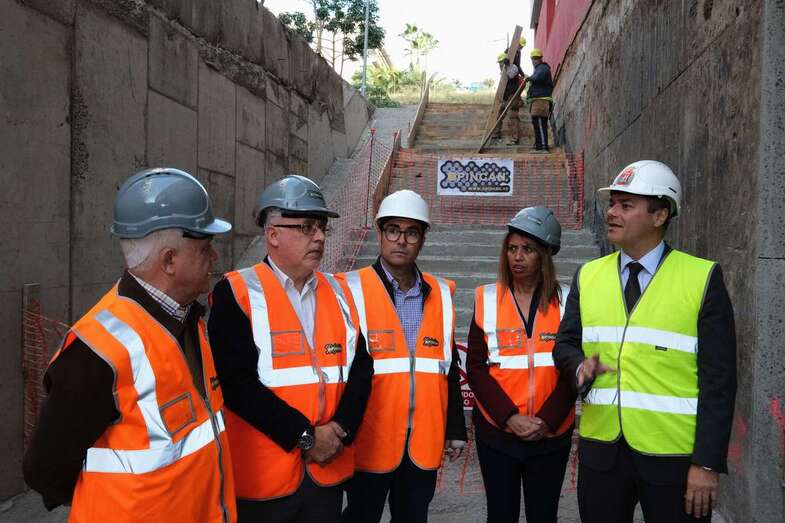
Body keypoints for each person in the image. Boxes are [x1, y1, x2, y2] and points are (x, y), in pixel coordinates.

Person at [23, 168, 237, 522]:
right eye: (204, 247)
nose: (214, 256)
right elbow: (46, 471)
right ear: (169, 260)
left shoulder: (189, 320)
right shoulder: (97, 350)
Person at [553, 160, 737, 523]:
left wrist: (706, 464)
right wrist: (579, 367)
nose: (611, 213)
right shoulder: (588, 275)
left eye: (626, 205)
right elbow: (565, 344)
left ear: (660, 215)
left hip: (674, 457)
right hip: (602, 454)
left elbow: (719, 381)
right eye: (612, 204)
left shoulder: (701, 278)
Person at [207, 174, 373, 523]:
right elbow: (237, 385)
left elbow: (361, 369)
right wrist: (306, 438)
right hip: (264, 481)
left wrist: (339, 430)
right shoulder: (236, 293)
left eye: (322, 227)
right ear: (273, 235)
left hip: (327, 474)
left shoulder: (341, 292)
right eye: (307, 227)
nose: (320, 237)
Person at [338, 190, 467, 523]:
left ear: (422, 239)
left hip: (423, 436)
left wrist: (455, 427)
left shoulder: (441, 293)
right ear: (380, 234)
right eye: (393, 230)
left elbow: (447, 367)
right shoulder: (350, 289)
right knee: (360, 516)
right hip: (369, 434)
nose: (401, 240)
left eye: (411, 232)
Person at [467, 206, 577, 523]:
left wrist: (546, 420)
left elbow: (572, 369)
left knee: (544, 515)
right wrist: (510, 418)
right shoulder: (487, 299)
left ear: (545, 254)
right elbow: (476, 367)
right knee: (500, 515)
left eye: (527, 249)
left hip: (550, 434)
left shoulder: (568, 301)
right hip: (497, 434)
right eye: (512, 248)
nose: (517, 257)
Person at [525, 49, 553, 152]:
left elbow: (539, 78)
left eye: (536, 58)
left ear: (541, 59)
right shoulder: (537, 69)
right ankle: (539, 146)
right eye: (533, 59)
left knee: (540, 122)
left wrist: (529, 78)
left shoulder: (543, 67)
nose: (534, 61)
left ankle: (543, 147)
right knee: (537, 123)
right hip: (537, 100)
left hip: (541, 100)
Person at [495, 51, 525, 145]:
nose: (500, 65)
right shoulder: (503, 71)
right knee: (498, 114)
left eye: (501, 62)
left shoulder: (513, 67)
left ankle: (514, 139)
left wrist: (507, 66)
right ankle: (496, 133)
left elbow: (511, 75)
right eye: (499, 63)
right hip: (505, 97)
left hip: (513, 96)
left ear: (504, 61)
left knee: (513, 117)